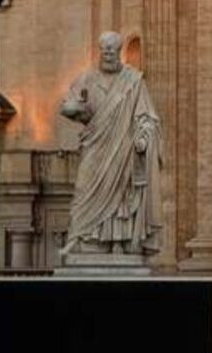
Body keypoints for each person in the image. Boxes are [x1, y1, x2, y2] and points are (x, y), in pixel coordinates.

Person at [59, 31, 164, 256]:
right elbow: (67, 105)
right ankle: (83, 235)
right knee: (84, 189)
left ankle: (117, 239)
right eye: (104, 49)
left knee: (122, 194)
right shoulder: (86, 78)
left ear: (120, 51)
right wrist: (75, 109)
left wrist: (144, 137)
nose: (108, 53)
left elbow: (147, 117)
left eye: (112, 49)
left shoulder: (133, 81)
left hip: (123, 149)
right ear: (99, 50)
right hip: (95, 146)